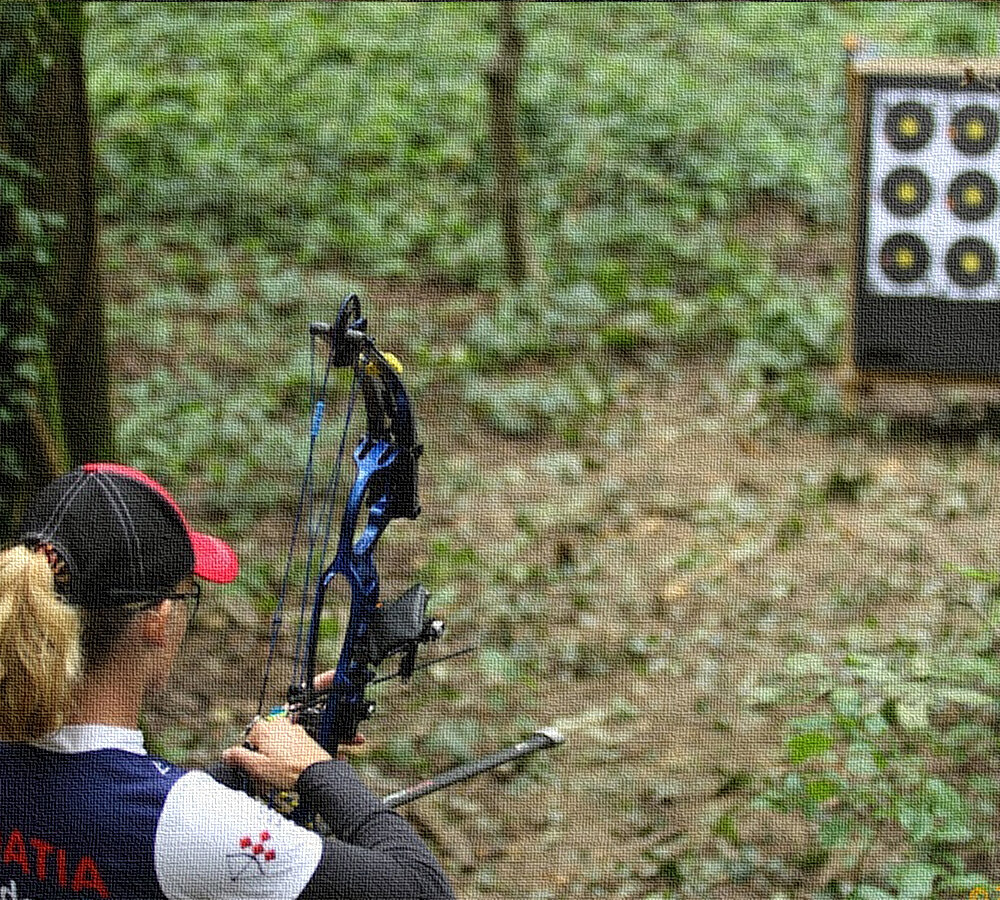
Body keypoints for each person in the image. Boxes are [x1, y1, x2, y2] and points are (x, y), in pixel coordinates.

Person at [0, 463, 456, 900]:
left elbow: (116, 825)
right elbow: (422, 889)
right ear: (157, 618)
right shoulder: (186, 823)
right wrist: (318, 773)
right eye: (185, 595)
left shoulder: (176, 820)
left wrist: (241, 774)